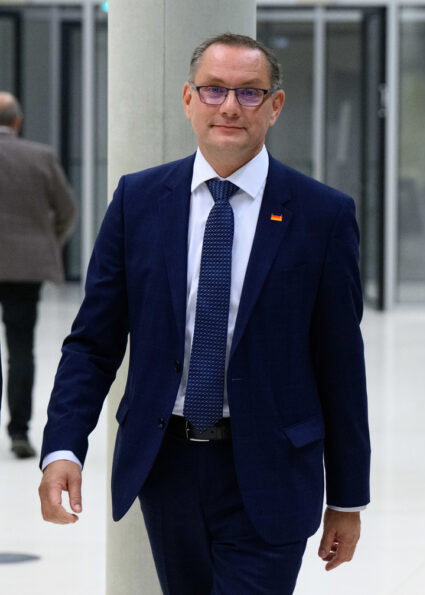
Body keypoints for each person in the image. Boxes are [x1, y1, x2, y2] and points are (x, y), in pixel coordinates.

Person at [38, 33, 370, 594]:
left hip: (271, 468)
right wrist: (64, 445)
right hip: (166, 467)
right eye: (214, 90)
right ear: (189, 99)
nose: (230, 107)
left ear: (275, 106)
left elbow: (340, 363)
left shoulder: (322, 214)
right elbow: (92, 342)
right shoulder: (139, 201)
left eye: (249, 92)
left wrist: (347, 497)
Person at [0, 92, 77, 459]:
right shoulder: (40, 157)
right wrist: (46, 243)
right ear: (17, 122)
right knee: (20, 350)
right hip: (23, 269)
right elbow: (67, 211)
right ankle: (19, 433)